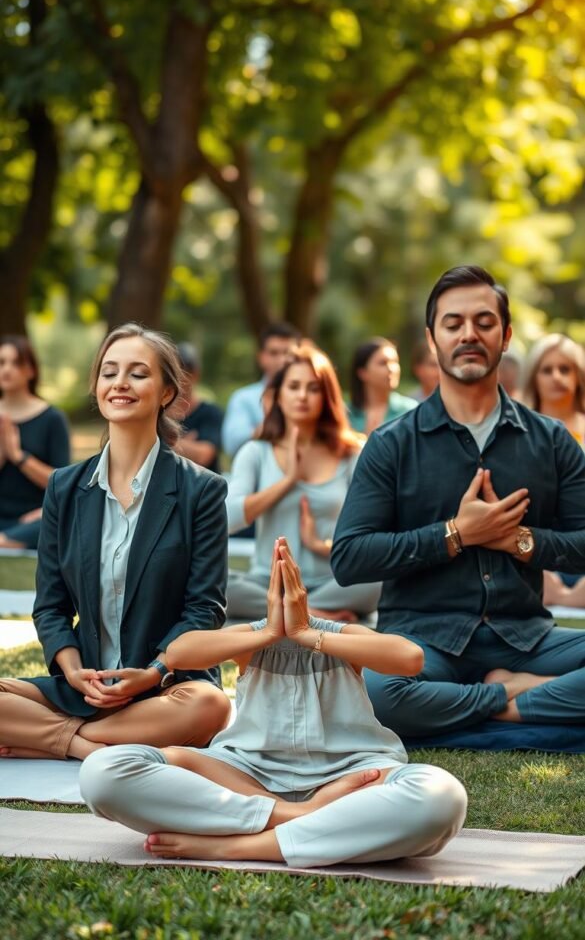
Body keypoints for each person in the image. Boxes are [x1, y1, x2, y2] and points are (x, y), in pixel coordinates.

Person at [79, 539, 467, 868]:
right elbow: (180, 651)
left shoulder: (340, 637)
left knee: (441, 798)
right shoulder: (252, 639)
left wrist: (306, 633)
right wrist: (268, 632)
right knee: (103, 772)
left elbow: (410, 657)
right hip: (247, 772)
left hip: (350, 772)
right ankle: (300, 820)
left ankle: (239, 845)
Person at [331, 265, 585, 737]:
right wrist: (456, 535)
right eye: (453, 324)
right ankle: (513, 697)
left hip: (525, 640)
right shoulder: (392, 444)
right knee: (379, 692)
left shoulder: (551, 441)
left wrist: (523, 541)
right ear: (433, 340)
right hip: (423, 641)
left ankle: (500, 699)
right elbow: (349, 558)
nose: (469, 334)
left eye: (484, 322)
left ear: (505, 335)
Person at [0, 324, 230, 761]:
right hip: (82, 688)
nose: (120, 383)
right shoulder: (64, 488)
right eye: (109, 372)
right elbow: (50, 606)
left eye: (138, 373)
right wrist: (72, 670)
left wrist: (154, 672)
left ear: (166, 392)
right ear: (98, 387)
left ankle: (52, 739)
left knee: (212, 705)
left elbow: (205, 610)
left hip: (167, 686)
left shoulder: (202, 490)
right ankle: (84, 743)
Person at [225, 342, 381, 623]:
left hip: (334, 582)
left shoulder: (352, 454)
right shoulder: (256, 452)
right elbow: (230, 518)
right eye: (294, 386)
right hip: (269, 584)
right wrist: (288, 480)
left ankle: (290, 614)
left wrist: (321, 545)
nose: (302, 396)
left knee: (380, 579)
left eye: (313, 388)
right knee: (220, 585)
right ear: (278, 395)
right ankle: (313, 616)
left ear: (326, 396)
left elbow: (373, 534)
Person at [522, 334, 585, 607]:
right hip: (532, 562)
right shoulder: (516, 434)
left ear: (578, 375)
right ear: (534, 378)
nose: (556, 377)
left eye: (565, 369)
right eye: (547, 370)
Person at [0, 335, 70, 550]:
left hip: (34, 519)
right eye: (2, 362)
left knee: (61, 520)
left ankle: (6, 542)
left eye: (16, 363)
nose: (7, 369)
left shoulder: (52, 419)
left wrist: (18, 456)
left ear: (31, 370)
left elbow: (63, 484)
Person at [222, 322, 301, 458]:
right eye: (274, 353)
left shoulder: (311, 395)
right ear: (261, 357)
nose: (282, 359)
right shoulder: (243, 398)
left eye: (288, 352)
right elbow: (232, 444)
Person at [348, 337, 417, 435]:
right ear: (362, 372)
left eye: (395, 362)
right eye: (383, 363)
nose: (391, 369)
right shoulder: (346, 414)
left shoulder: (411, 411)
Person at [174, 342, 224, 474]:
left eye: (185, 370)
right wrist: (186, 445)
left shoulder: (210, 412)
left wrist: (163, 442)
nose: (180, 376)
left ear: (196, 374)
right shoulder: (157, 413)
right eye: (174, 370)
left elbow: (204, 455)